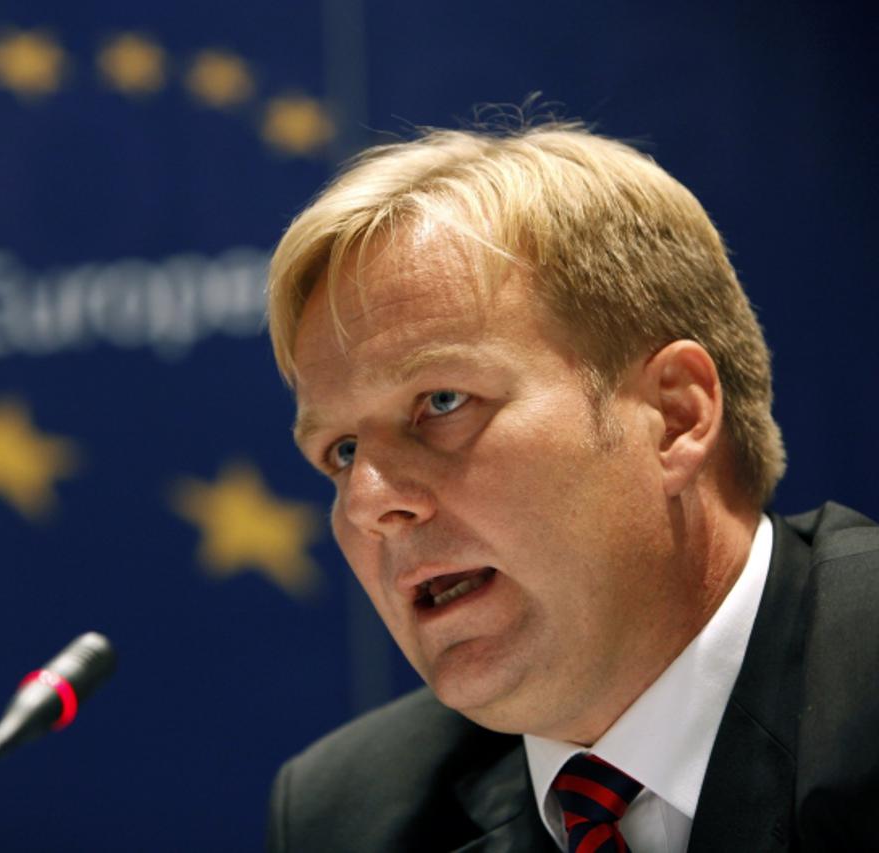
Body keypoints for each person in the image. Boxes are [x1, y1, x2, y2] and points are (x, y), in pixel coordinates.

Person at [263, 122, 879, 851]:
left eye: (442, 402)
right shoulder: (350, 818)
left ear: (675, 416)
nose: (368, 502)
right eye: (339, 450)